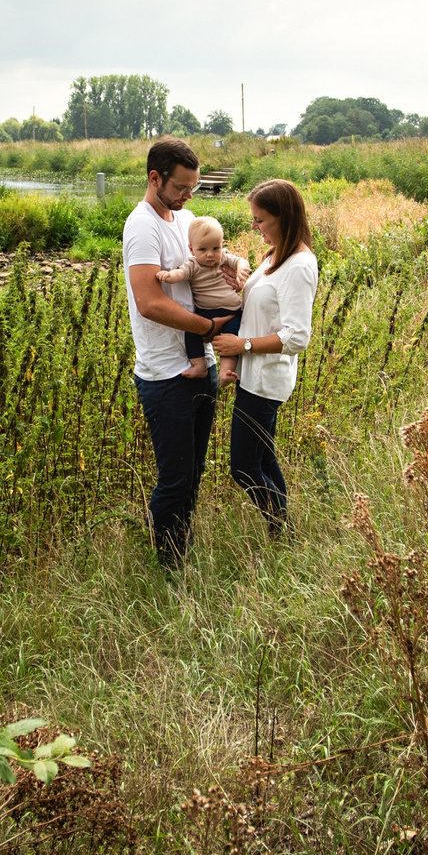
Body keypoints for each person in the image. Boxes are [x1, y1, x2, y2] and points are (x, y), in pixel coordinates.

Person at [124, 137, 225, 567]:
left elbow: (203, 266)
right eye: (182, 187)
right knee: (176, 478)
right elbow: (149, 301)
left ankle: (179, 553)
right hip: (166, 376)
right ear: (155, 178)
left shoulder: (182, 220)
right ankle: (167, 568)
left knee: (194, 474)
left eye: (194, 188)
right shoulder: (141, 226)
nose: (188, 196)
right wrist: (208, 328)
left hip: (203, 367)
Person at [211, 178, 318, 537]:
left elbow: (297, 337)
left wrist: (242, 347)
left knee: (243, 467)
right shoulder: (274, 256)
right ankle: (282, 535)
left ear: (283, 216)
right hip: (252, 376)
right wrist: (239, 287)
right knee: (263, 459)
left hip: (266, 381)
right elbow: (263, 304)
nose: (254, 226)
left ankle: (283, 528)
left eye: (260, 220)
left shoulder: (300, 265)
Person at [156, 215, 250, 383]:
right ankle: (199, 366)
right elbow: (182, 273)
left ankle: (226, 372)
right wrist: (170, 276)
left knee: (230, 340)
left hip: (232, 311)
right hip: (205, 312)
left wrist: (241, 269)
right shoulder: (193, 265)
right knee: (191, 333)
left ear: (222, 246)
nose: (210, 254)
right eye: (203, 250)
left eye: (216, 248)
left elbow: (240, 261)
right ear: (192, 250)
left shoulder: (223, 258)